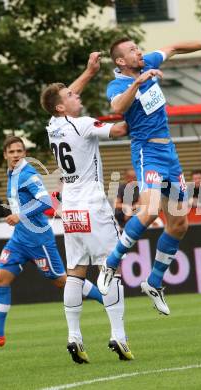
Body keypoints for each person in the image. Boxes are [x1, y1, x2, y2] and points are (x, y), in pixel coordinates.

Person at [97, 30, 201, 315]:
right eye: (133, 50)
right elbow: (116, 107)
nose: (139, 52)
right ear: (121, 61)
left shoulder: (148, 62)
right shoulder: (118, 84)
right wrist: (139, 82)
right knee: (149, 211)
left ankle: (154, 282)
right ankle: (111, 263)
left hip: (170, 155)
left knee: (179, 225)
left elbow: (174, 46)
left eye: (138, 48)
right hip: (147, 152)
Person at [41, 52, 133, 363]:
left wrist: (89, 71)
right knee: (111, 268)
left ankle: (74, 337)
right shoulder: (81, 124)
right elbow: (119, 130)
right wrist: (136, 97)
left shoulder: (53, 125)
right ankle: (118, 336)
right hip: (93, 202)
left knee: (76, 272)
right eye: (69, 95)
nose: (75, 94)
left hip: (70, 208)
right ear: (61, 105)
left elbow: (65, 97)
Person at [0, 136, 102, 347]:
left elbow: (44, 201)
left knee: (62, 282)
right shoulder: (12, 172)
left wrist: (20, 215)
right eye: (12, 151)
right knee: (0, 280)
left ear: (24, 153)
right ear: (5, 154)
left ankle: (107, 300)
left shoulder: (28, 174)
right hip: (19, 240)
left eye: (19, 151)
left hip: (38, 240)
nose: (16, 155)